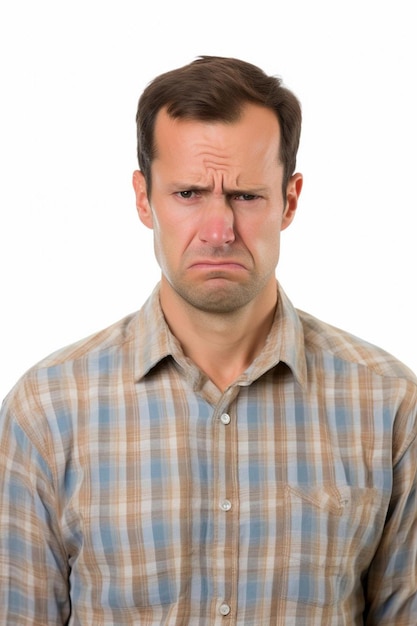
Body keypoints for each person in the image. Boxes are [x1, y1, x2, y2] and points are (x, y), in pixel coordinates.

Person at [0, 55, 416, 625]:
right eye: (190, 193)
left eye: (245, 196)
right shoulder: (47, 412)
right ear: (144, 199)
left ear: (289, 201)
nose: (219, 232)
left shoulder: (388, 405)